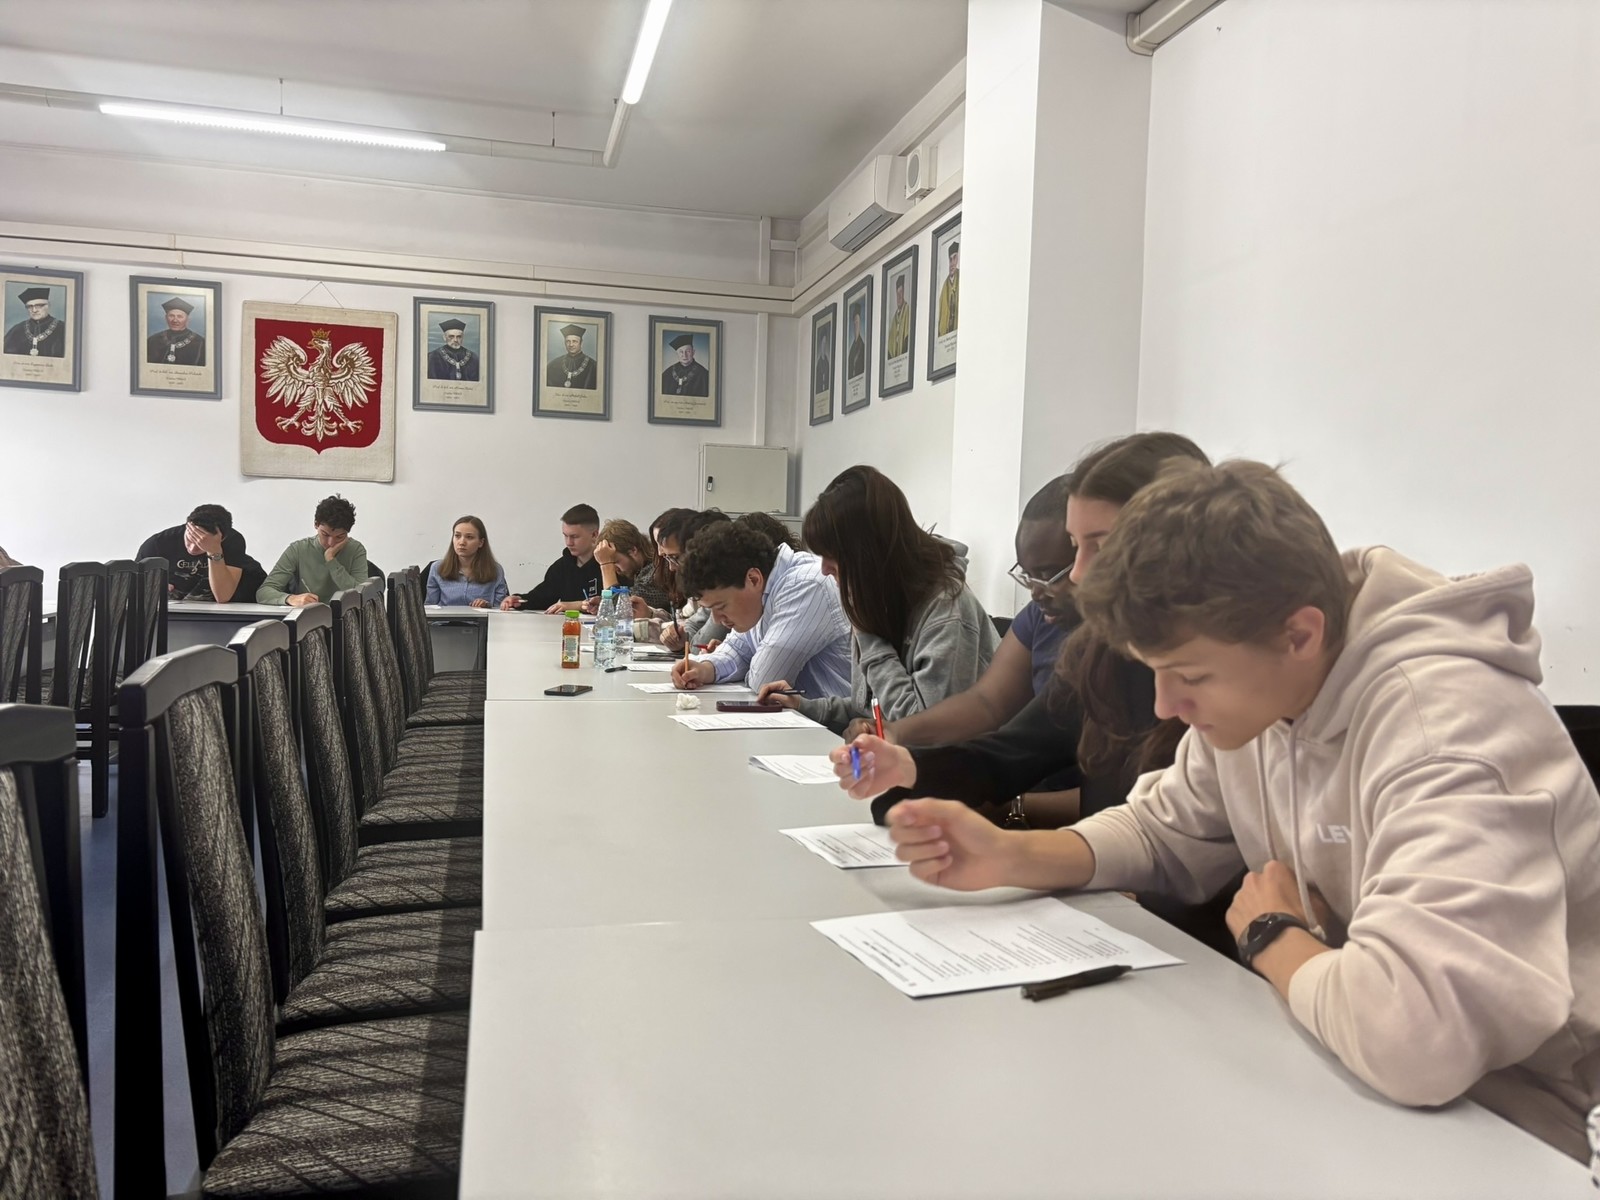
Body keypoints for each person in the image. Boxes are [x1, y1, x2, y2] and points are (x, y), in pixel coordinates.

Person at [882, 457, 1600, 1160]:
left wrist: (1270, 933)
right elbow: (1159, 828)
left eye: (1188, 675)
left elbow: (1417, 1038)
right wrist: (1009, 853)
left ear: (1300, 634)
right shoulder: (1265, 693)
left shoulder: (1443, 730)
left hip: (1535, 1122)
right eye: (1156, 672)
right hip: (1361, 1073)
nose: (1166, 706)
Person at [757, 466, 999, 734]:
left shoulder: (946, 609)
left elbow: (924, 729)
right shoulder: (880, 599)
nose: (824, 569)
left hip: (963, 759)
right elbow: (870, 707)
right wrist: (804, 707)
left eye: (833, 555)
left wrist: (867, 635)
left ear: (867, 553)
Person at [867, 473, 1076, 748]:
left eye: (1048, 575)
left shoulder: (1119, 641)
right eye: (1028, 575)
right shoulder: (1038, 616)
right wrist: (894, 732)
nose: (1035, 593)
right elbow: (987, 702)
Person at [671, 522, 850, 697]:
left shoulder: (806, 586)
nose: (717, 619)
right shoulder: (759, 594)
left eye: (721, 606)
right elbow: (737, 649)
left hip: (827, 716)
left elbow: (765, 681)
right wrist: (704, 669)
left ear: (753, 579)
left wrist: (744, 666)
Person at [137, 504, 265, 603]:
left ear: (222, 538)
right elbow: (135, 588)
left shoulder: (232, 541)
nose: (193, 549)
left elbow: (223, 596)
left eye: (201, 544)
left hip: (231, 606)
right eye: (190, 539)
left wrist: (214, 551)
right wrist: (152, 588)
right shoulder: (158, 543)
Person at [257, 494, 369, 607]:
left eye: (339, 537)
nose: (330, 543)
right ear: (316, 524)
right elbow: (263, 592)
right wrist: (290, 598)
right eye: (325, 534)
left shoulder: (356, 550)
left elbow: (361, 596)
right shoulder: (298, 549)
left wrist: (331, 561)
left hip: (345, 615)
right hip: (308, 614)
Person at [500, 503, 603, 613]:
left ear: (594, 535)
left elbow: (613, 603)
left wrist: (574, 606)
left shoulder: (609, 565)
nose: (569, 543)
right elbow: (542, 597)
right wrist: (519, 600)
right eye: (565, 536)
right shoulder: (561, 566)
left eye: (574, 537)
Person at [655, 508, 732, 651]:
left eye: (675, 557)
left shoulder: (726, 586)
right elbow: (691, 626)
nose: (671, 567)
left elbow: (699, 645)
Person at [590, 518, 671, 614]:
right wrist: (603, 602)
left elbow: (624, 609)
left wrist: (606, 565)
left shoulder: (658, 570)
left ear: (633, 550)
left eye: (615, 561)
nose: (614, 569)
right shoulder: (640, 569)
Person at [425, 515, 507, 608]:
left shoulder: (495, 570)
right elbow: (430, 608)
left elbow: (500, 610)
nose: (461, 542)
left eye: (469, 537)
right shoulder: (437, 568)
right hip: (446, 617)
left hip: (481, 617)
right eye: (457, 536)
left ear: (481, 542)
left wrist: (487, 606)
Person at [4, 286, 65, 357]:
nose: (34, 310)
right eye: (30, 306)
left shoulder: (63, 328)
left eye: (38, 306)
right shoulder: (17, 330)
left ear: (48, 306)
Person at [146, 296, 206, 365]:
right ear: (166, 318)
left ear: (187, 319)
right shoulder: (152, 340)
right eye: (171, 316)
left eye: (179, 316)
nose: (175, 320)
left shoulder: (201, 343)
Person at [545, 323, 597, 389]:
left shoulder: (593, 366)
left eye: (574, 341)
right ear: (565, 343)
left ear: (581, 343)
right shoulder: (553, 365)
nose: (571, 345)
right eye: (568, 341)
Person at [936, 240, 959, 336]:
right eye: (950, 259)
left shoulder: (961, 278)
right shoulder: (945, 286)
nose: (952, 263)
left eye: (955, 258)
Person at [886, 275, 911, 359]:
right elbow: (890, 346)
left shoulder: (907, 311)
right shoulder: (895, 318)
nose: (899, 296)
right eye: (897, 293)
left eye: (901, 292)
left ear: (904, 293)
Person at [846, 308, 866, 379]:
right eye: (855, 321)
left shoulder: (863, 347)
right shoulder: (851, 350)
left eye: (857, 321)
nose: (856, 324)